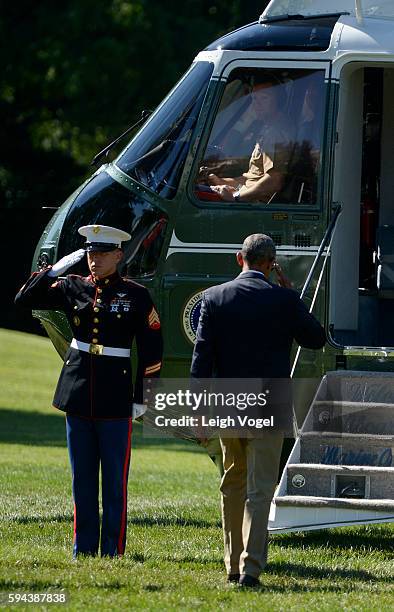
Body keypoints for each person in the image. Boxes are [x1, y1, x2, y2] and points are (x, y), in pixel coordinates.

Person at [15, 224, 163, 558]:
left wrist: (143, 396)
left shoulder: (136, 295)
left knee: (113, 483)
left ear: (118, 255)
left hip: (115, 395)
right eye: (90, 254)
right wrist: (54, 269)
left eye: (102, 254)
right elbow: (24, 299)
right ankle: (83, 548)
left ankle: (112, 549)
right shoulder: (72, 287)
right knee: (82, 480)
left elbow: (153, 349)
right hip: (78, 391)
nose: (94, 261)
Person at [190, 234, 325, 587]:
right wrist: (291, 294)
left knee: (231, 482)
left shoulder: (213, 298)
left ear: (240, 258)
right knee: (260, 488)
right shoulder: (283, 299)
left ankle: (232, 564)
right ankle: (251, 568)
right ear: (271, 264)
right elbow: (315, 338)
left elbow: (201, 359)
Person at [206, 78, 293, 204]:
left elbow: (274, 181)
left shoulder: (276, 132)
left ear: (279, 101)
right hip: (248, 195)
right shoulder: (268, 128)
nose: (257, 104)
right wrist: (219, 181)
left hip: (256, 204)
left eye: (264, 98)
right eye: (254, 99)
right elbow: (251, 179)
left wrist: (236, 197)